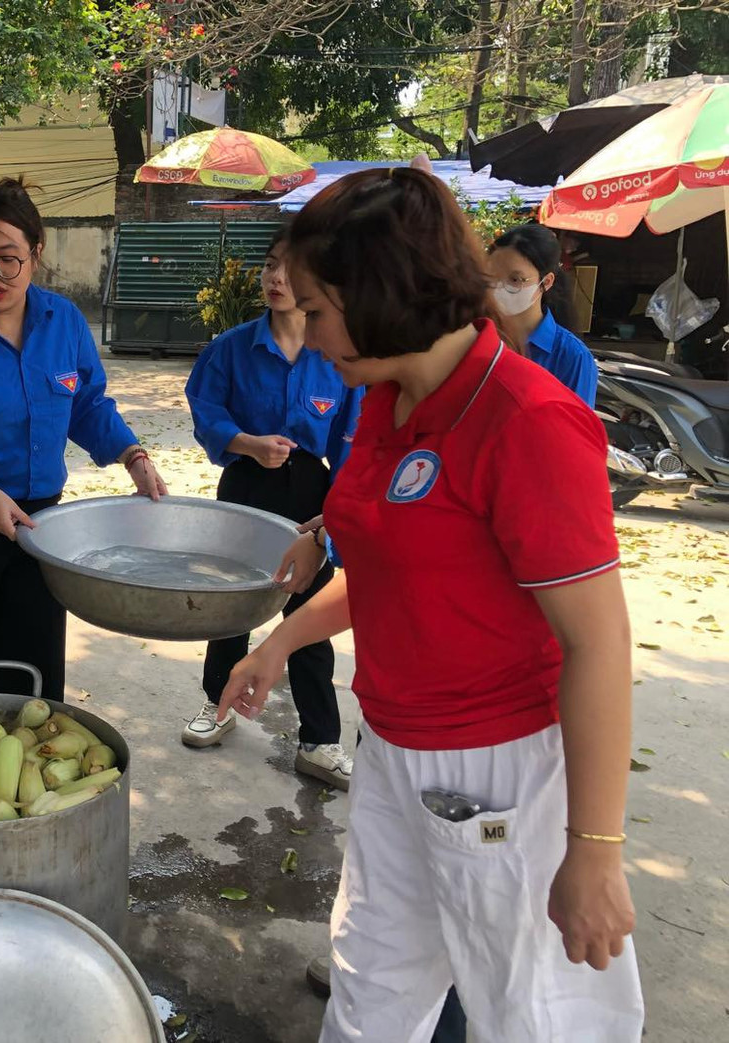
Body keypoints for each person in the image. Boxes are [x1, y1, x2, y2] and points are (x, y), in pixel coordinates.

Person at [222, 168, 643, 1041]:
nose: (304, 326)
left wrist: (594, 852)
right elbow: (385, 571)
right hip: (394, 751)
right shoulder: (385, 397)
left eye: (316, 306)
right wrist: (277, 641)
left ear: (376, 296)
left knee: (533, 1012)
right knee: (370, 984)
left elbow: (600, 647)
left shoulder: (527, 422)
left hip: (502, 776)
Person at [0, 177, 166, 702]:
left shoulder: (63, 321)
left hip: (42, 525)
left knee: (32, 669)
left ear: (36, 253)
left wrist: (133, 454)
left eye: (8, 257)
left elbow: (86, 404)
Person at [180, 237, 359, 794]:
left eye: (289, 268)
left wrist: (338, 510)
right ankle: (218, 703)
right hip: (246, 480)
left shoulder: (333, 349)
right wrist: (246, 443)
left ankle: (319, 738)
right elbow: (204, 408)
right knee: (232, 603)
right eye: (269, 265)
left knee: (308, 610)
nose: (275, 277)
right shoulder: (231, 348)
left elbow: (353, 435)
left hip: (311, 492)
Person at [488, 223, 598, 406]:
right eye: (492, 276)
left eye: (515, 279)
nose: (499, 287)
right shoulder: (476, 339)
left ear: (546, 282)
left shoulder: (572, 357)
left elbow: (576, 431)